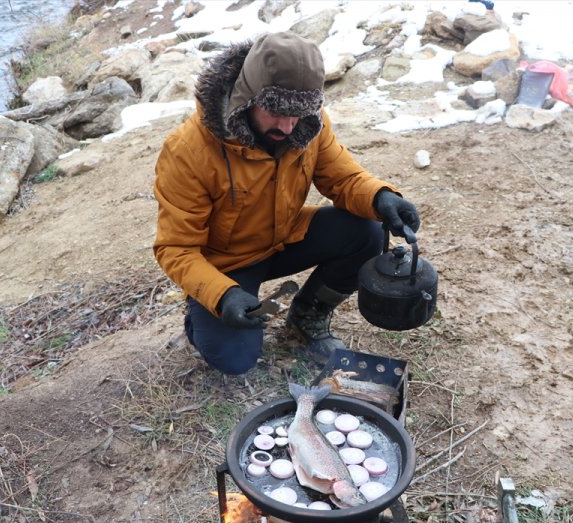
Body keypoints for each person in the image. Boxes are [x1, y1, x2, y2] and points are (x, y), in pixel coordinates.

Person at [152, 31, 420, 375]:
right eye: (276, 110)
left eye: (299, 113)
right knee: (234, 360)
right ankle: (201, 315)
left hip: (285, 238)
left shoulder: (307, 127)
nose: (287, 125)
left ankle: (307, 316)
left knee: (365, 231)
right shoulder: (188, 151)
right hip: (225, 264)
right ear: (247, 96)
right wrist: (222, 295)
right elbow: (176, 248)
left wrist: (382, 198)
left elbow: (343, 178)